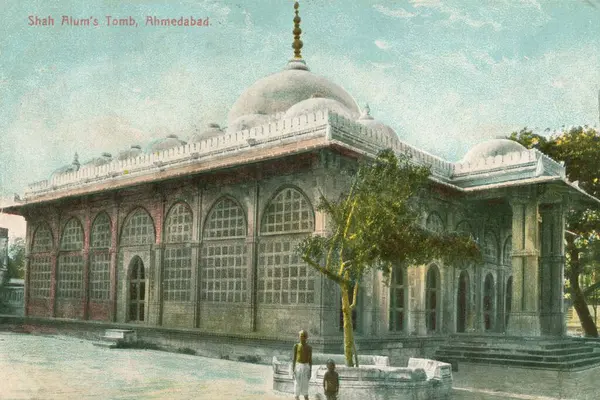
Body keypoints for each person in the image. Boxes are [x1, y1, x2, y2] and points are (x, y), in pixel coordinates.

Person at [292, 330, 312, 400]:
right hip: (298, 366)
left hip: (306, 366)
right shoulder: (296, 346)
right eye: (301, 336)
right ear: (299, 337)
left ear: (306, 337)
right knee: (297, 382)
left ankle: (306, 396)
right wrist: (293, 369)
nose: (302, 338)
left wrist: (310, 371)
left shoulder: (309, 347)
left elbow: (310, 360)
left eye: (304, 336)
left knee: (305, 383)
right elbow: (294, 358)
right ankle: (296, 396)